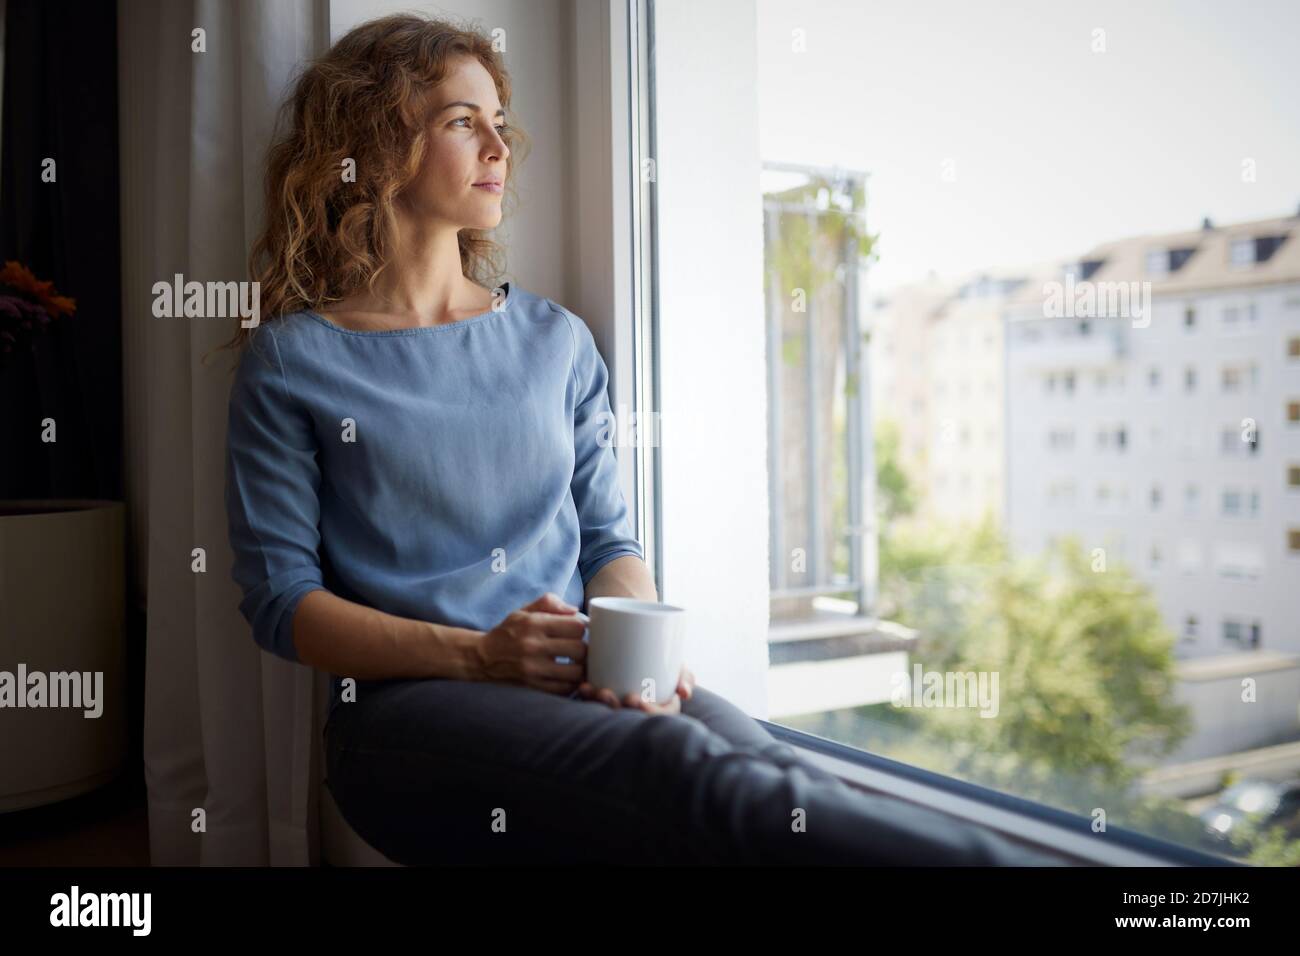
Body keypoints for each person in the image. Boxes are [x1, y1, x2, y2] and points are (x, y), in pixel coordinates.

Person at [222, 12, 1062, 867]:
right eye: (461, 121)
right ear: (376, 141)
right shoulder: (295, 361)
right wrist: (481, 657)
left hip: (570, 680)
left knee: (768, 765)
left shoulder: (555, 342)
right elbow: (284, 604)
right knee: (686, 769)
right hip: (402, 723)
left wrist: (634, 657)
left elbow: (610, 544)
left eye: (499, 125)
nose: (498, 149)